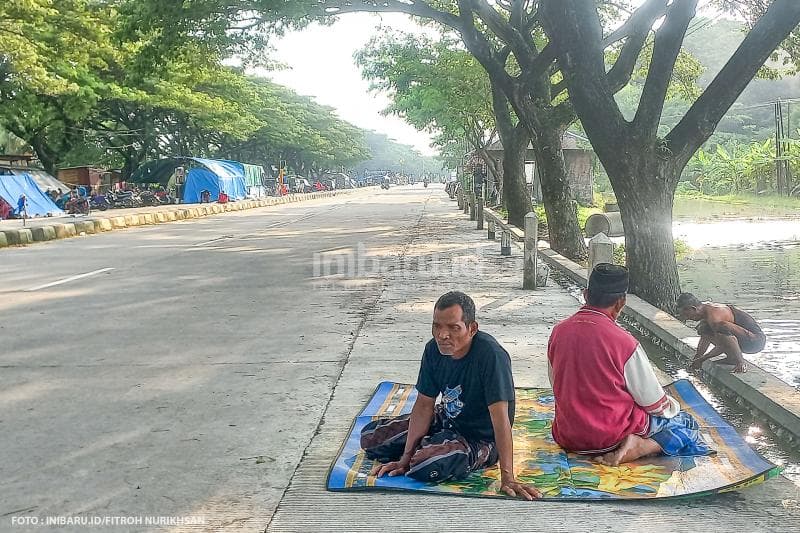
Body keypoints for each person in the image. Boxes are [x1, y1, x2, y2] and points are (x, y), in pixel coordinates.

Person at [362, 291, 541, 500]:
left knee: (425, 464)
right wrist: (405, 458)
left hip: (480, 437)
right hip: (447, 418)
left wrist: (507, 477)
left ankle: (435, 448)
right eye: (436, 326)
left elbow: (501, 420)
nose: (442, 335)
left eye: (453, 328)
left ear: (472, 329)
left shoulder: (491, 356)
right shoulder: (433, 350)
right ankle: (432, 444)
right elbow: (424, 405)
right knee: (370, 438)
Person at [547, 264, 714, 466]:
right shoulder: (624, 342)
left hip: (568, 436)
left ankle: (638, 443)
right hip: (610, 438)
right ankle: (641, 447)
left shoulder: (558, 332)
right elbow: (654, 404)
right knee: (687, 424)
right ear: (621, 302)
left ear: (585, 295)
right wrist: (673, 406)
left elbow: (555, 383)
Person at [677, 293, 765, 374]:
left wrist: (703, 359)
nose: (687, 318)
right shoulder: (704, 308)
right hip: (741, 339)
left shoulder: (714, 317)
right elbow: (705, 337)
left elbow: (723, 345)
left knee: (722, 326)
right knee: (703, 328)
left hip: (755, 342)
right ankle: (731, 358)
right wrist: (697, 357)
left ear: (693, 308)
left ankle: (740, 362)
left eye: (687, 315)